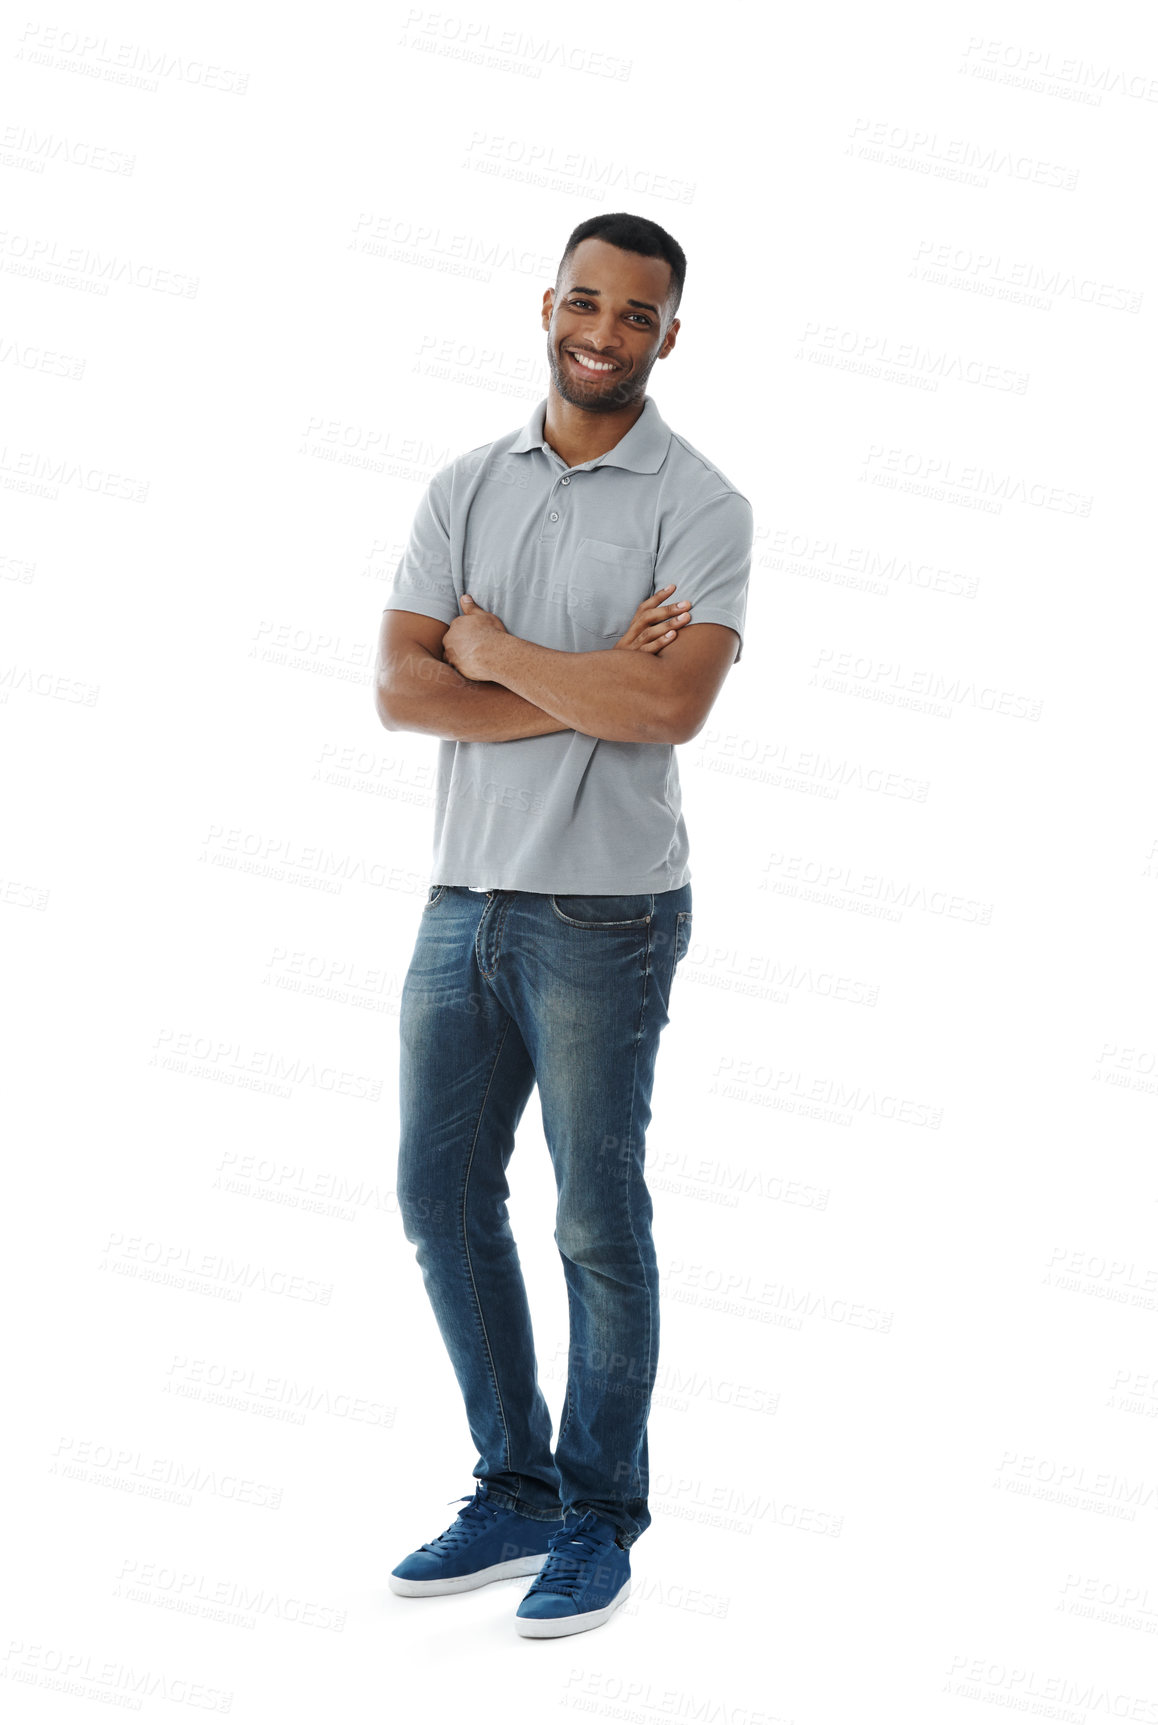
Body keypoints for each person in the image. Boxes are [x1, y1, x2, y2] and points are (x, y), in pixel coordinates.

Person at [374, 211, 753, 1639]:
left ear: (668, 333)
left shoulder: (701, 505)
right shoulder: (463, 483)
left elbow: (671, 709)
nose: (602, 332)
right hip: (459, 897)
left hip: (606, 912)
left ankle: (599, 1511)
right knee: (437, 1197)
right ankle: (513, 1482)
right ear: (547, 302)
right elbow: (401, 693)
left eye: (635, 314)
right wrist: (580, 680)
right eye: (583, 302)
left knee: (595, 1217)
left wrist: (492, 651)